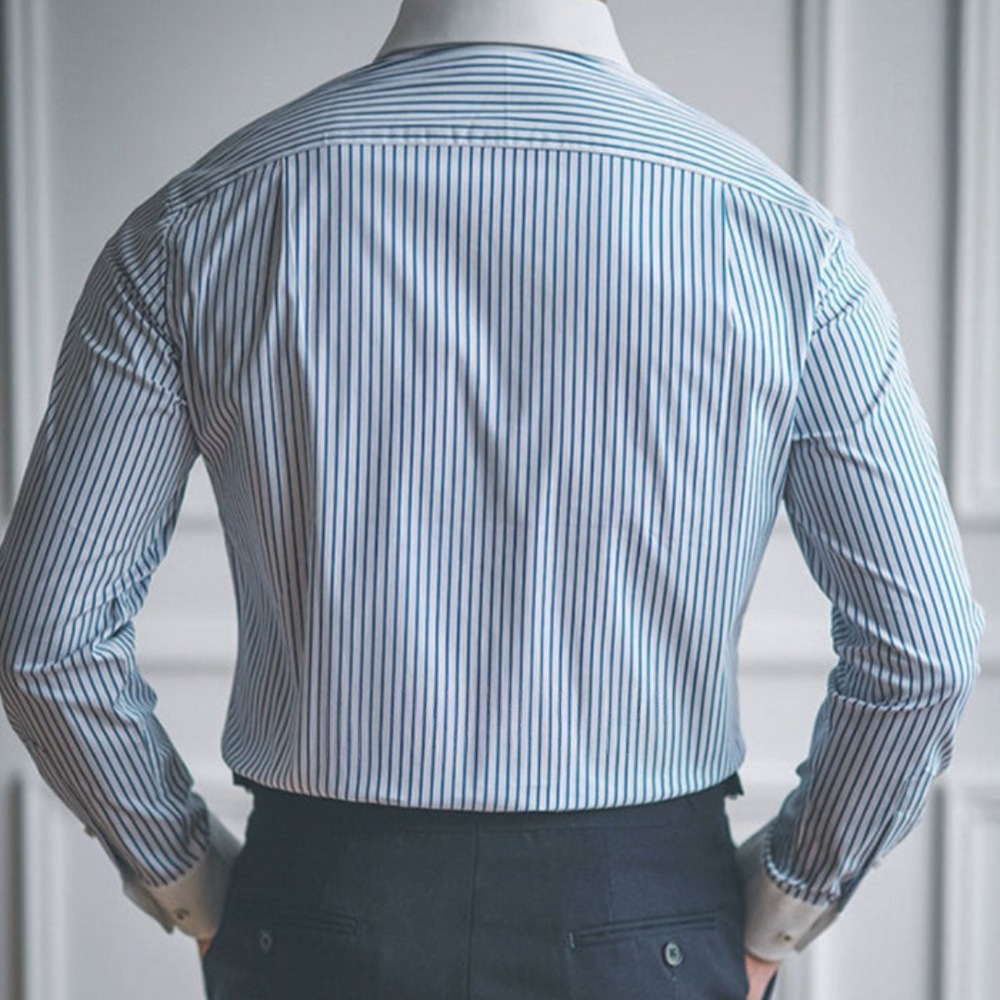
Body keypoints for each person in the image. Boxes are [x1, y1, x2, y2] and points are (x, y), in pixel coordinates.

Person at [0, 0, 983, 998]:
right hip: (648, 917)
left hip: (315, 908)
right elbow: (923, 654)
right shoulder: (787, 246)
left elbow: (48, 637)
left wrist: (191, 886)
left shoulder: (197, 226)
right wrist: (783, 909)